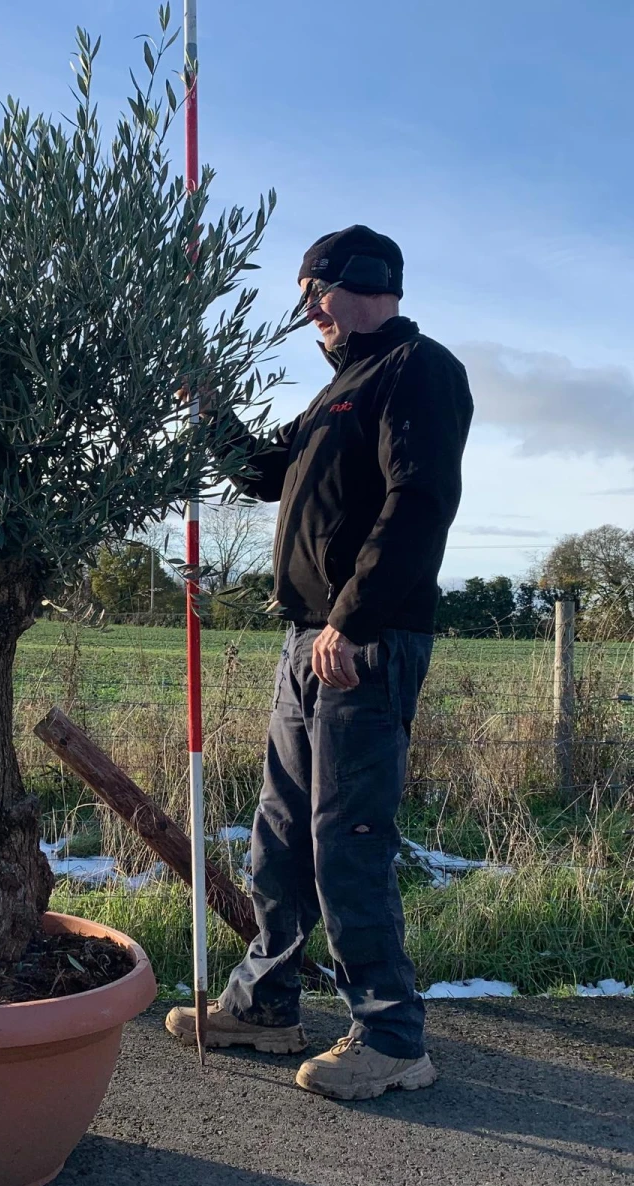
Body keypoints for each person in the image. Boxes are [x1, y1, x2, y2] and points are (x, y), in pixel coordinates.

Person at [167, 225, 473, 1100]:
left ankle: (391, 1037)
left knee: (348, 839)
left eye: (313, 296)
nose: (309, 316)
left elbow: (421, 503)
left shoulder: (420, 370)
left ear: (353, 286)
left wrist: (353, 618)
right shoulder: (340, 391)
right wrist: (209, 409)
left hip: (362, 643)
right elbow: (267, 473)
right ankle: (267, 1006)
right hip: (306, 639)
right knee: (281, 833)